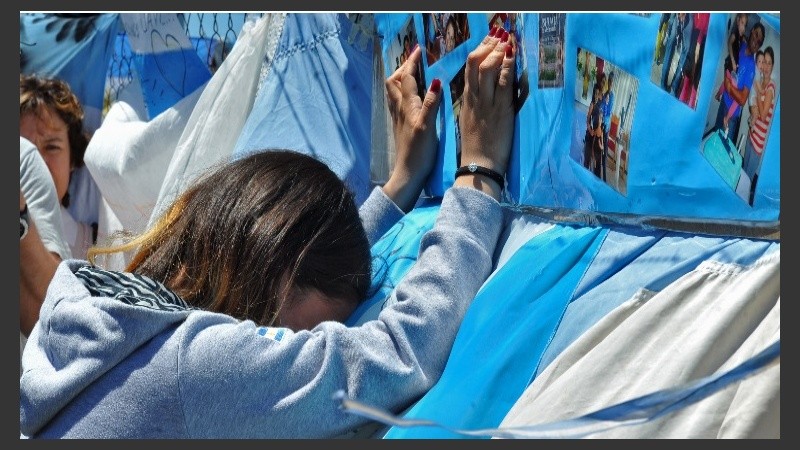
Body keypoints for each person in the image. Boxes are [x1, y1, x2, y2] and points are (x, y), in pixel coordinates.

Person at [20, 35, 517, 438]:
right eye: (295, 342)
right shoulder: (194, 369)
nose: (285, 350)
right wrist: (478, 174)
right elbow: (395, 353)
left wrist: (399, 186)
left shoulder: (100, 310)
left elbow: (291, 268)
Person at [20, 74, 95, 261]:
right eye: (21, 149)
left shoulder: (101, 249)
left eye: (52, 147)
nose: (37, 161)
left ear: (72, 159)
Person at [715, 22, 765, 143]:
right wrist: (721, 91)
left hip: (732, 115)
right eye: (756, 35)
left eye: (759, 41)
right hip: (723, 103)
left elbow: (742, 100)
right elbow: (728, 70)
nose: (756, 41)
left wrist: (729, 87)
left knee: (724, 151)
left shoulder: (752, 67)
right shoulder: (740, 45)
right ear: (752, 31)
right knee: (715, 138)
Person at [743, 46, 775, 204]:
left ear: (773, 66)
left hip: (758, 144)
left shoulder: (770, 88)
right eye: (764, 63)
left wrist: (757, 100)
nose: (766, 66)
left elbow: (763, 115)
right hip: (751, 135)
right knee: (743, 172)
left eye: (769, 63)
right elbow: (752, 104)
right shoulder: (760, 81)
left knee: (747, 179)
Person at [600, 71, 614, 181]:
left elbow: (608, 112)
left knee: (604, 151)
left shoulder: (611, 95)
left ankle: (604, 178)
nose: (609, 84)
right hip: (602, 124)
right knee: (600, 149)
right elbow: (601, 109)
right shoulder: (604, 95)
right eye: (608, 81)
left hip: (606, 125)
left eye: (610, 82)